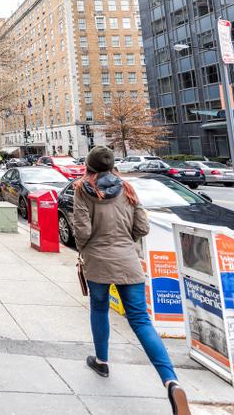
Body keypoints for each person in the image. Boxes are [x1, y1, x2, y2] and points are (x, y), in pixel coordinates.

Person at [72, 146, 190, 415]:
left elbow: (82, 230)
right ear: (113, 166)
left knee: (99, 309)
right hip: (128, 261)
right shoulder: (128, 188)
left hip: (98, 261)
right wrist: (125, 244)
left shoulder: (83, 189)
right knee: (140, 320)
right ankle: (171, 381)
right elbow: (142, 228)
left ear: (89, 167)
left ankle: (102, 361)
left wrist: (85, 249)